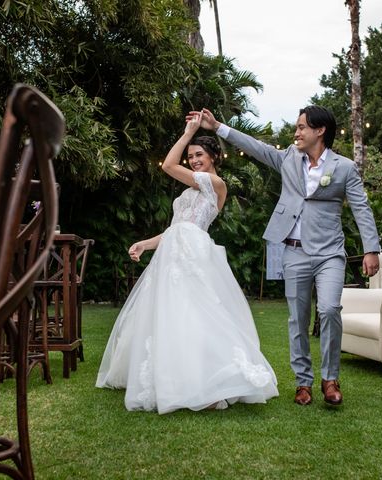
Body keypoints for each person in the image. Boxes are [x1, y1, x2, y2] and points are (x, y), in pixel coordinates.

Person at [193, 106, 380, 406]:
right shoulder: (289, 158)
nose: (297, 132)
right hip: (293, 251)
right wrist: (217, 127)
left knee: (330, 309)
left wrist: (371, 249)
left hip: (330, 252)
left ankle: (330, 379)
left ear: (320, 131)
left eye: (303, 127)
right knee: (298, 319)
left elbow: (361, 208)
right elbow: (255, 148)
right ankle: (303, 383)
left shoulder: (344, 167)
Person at [96, 112, 278, 414]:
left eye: (198, 155)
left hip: (194, 254)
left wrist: (188, 132)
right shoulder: (184, 194)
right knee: (171, 315)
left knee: (199, 313)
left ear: (213, 157)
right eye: (191, 156)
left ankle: (207, 381)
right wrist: (146, 243)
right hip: (172, 254)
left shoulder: (215, 184)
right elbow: (173, 229)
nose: (193, 160)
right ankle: (174, 377)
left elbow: (168, 166)